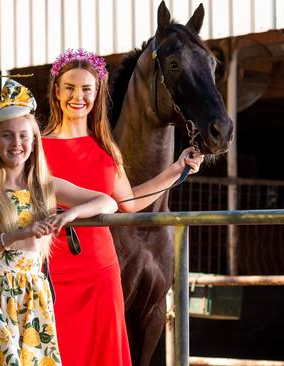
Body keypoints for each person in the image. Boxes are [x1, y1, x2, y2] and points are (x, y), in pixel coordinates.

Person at [41, 48, 205, 365]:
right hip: (52, 269)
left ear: (97, 92)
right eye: (70, 88)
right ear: (56, 92)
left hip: (101, 271)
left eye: (86, 89)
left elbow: (126, 204)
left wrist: (176, 170)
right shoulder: (36, 148)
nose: (78, 97)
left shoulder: (106, 149)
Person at [0, 79, 118, 366]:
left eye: (24, 136)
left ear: (34, 143)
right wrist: (15, 235)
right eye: (7, 136)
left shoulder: (46, 187)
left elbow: (109, 202)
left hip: (30, 293)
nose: (16, 143)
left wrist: (68, 215)